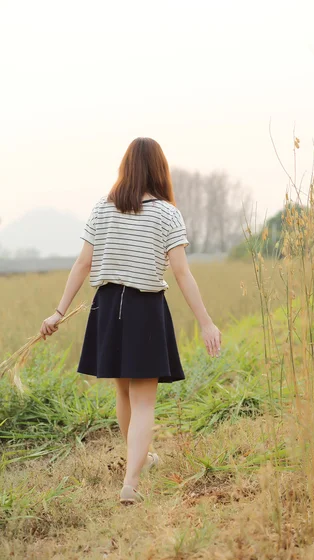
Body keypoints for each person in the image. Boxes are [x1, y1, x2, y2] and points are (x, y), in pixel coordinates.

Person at [39, 137, 222, 504]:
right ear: (159, 169)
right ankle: (131, 483)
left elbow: (82, 263)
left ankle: (140, 460)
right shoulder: (167, 213)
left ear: (125, 168)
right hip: (144, 309)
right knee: (143, 401)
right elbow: (182, 274)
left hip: (106, 307)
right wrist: (206, 322)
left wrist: (59, 311)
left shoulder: (103, 208)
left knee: (123, 392)